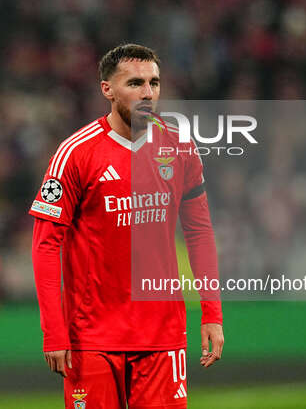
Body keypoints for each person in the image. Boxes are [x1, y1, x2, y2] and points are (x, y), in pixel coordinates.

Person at [29, 43, 224, 409]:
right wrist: (54, 332)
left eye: (154, 82)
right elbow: (45, 245)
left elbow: (199, 232)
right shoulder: (75, 153)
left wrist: (212, 312)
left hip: (162, 335)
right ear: (107, 89)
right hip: (92, 340)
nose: (148, 92)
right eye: (135, 83)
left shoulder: (180, 145)